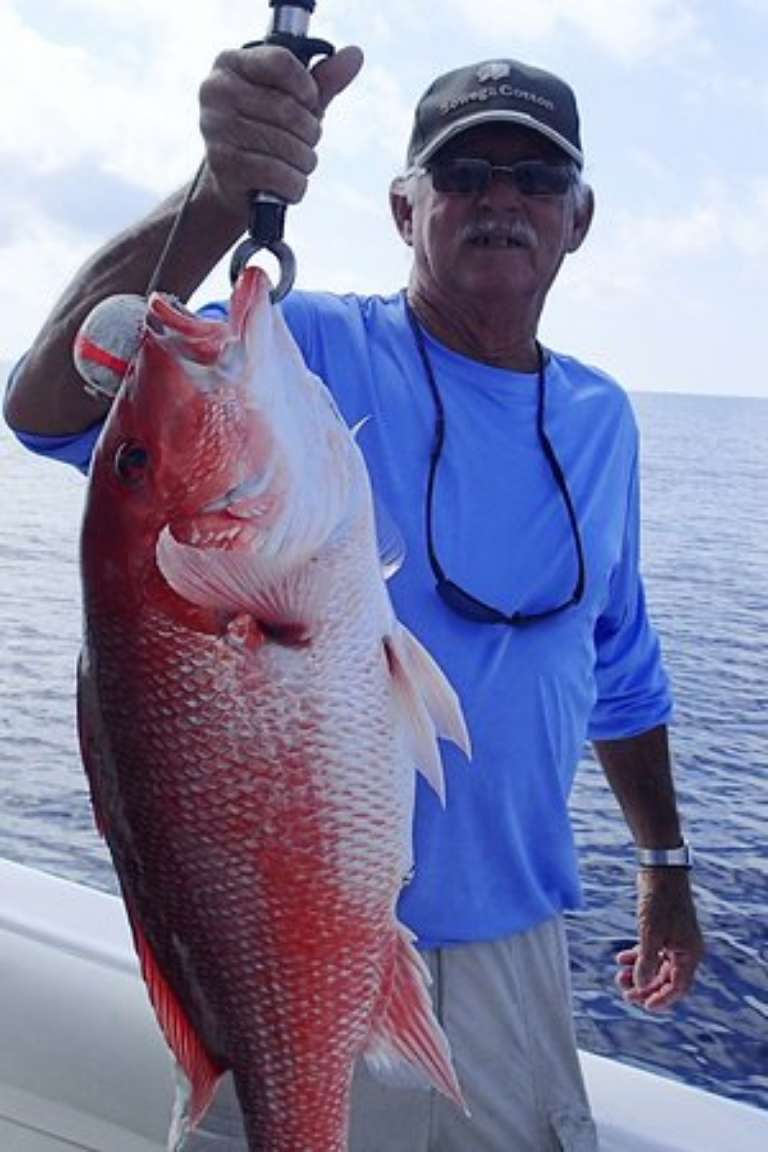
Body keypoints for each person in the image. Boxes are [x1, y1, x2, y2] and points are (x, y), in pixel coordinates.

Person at [4, 41, 704, 1152]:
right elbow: (44, 407)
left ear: (580, 218)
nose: (500, 201)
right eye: (465, 175)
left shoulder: (603, 418)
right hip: (280, 944)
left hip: (517, 947)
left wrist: (665, 866)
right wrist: (220, 199)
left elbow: (619, 660)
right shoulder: (306, 351)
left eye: (535, 178)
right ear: (402, 208)